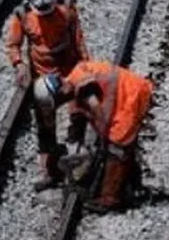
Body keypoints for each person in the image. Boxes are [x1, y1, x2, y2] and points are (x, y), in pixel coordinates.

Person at [30, 59, 153, 213]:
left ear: (59, 93)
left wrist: (104, 136)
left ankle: (109, 199)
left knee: (117, 148)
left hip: (131, 96)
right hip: (128, 92)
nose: (60, 104)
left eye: (58, 101)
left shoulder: (81, 88)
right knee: (120, 145)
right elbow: (80, 115)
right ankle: (131, 184)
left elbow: (96, 108)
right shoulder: (75, 80)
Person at [4, 0, 90, 191]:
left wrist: (86, 69)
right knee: (44, 125)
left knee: (79, 113)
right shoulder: (22, 16)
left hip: (70, 72)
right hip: (43, 78)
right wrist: (19, 65)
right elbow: (13, 45)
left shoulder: (67, 8)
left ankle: (80, 157)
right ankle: (50, 170)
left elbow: (78, 40)